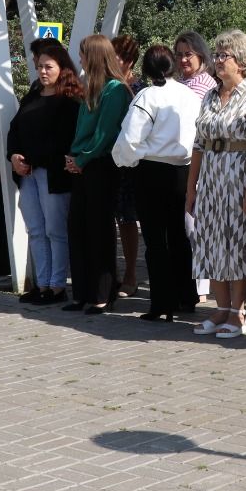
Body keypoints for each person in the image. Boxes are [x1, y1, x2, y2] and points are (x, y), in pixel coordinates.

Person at [186, 30, 246, 339]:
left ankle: (238, 313)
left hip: (241, 175)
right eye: (217, 55)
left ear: (242, 61)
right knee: (212, 241)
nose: (218, 61)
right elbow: (199, 144)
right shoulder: (210, 95)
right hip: (211, 176)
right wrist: (191, 188)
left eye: (225, 56)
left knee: (239, 243)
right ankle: (220, 308)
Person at [113, 44, 199, 321]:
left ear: (147, 69)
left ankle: (162, 302)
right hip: (183, 170)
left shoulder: (147, 96)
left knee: (155, 238)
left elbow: (129, 139)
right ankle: (186, 296)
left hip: (151, 170)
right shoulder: (189, 95)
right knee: (178, 235)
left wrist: (128, 160)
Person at [7, 40, 80, 305]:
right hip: (28, 174)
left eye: (48, 66)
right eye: (39, 67)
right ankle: (42, 283)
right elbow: (15, 129)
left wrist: (35, 158)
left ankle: (57, 286)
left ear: (62, 68)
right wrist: (14, 156)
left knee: (55, 230)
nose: (43, 72)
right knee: (35, 230)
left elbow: (65, 140)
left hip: (53, 174)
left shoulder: (70, 99)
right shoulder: (34, 94)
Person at [64, 34, 132, 313]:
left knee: (99, 231)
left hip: (100, 166)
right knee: (77, 228)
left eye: (82, 53)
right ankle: (82, 292)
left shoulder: (115, 89)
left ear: (94, 55)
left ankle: (103, 294)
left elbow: (105, 134)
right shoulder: (91, 86)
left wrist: (82, 158)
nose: (79, 58)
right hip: (82, 163)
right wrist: (74, 157)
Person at [110, 34, 142, 299]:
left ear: (129, 61)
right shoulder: (104, 86)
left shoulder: (138, 88)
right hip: (106, 161)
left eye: (115, 56)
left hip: (130, 165)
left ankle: (131, 273)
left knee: (127, 219)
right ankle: (112, 273)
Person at [174, 31, 216, 99]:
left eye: (188, 55)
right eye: (179, 55)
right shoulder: (183, 79)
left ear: (200, 55)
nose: (183, 59)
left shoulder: (201, 83)